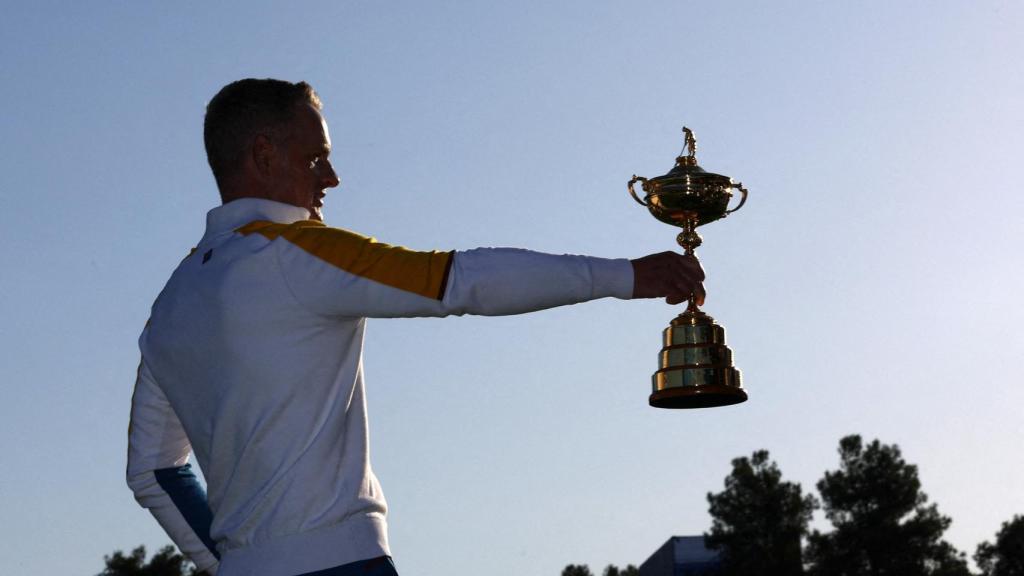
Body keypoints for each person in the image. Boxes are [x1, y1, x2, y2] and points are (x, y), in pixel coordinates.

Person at [126, 78, 706, 576]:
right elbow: (461, 281)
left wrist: (233, 564)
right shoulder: (296, 252)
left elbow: (153, 470)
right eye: (315, 158)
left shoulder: (168, 308)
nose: (331, 177)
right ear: (263, 155)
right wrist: (629, 275)